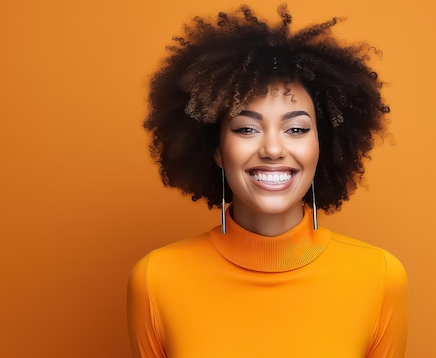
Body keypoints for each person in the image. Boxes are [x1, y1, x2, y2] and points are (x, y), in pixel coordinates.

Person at [127, 5, 407, 358]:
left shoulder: (380, 278)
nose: (273, 148)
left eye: (296, 129)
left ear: (324, 144)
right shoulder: (156, 280)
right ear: (215, 148)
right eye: (247, 128)